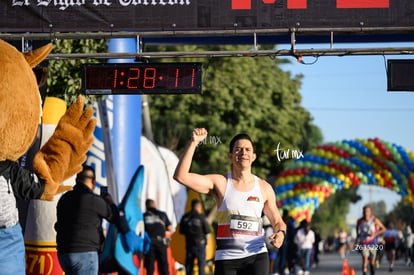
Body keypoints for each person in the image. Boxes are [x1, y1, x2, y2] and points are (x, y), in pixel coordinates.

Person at [174, 128, 286, 275]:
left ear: (253, 156)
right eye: (238, 150)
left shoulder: (264, 188)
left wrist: (281, 234)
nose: (243, 153)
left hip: (256, 255)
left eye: (247, 149)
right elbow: (181, 176)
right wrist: (193, 143)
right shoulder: (220, 183)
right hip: (227, 259)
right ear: (231, 156)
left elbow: (277, 221)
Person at [55, 165, 141, 275]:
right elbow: (114, 217)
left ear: (77, 180)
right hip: (85, 252)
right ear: (93, 181)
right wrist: (110, 203)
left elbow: (58, 225)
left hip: (64, 253)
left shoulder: (64, 199)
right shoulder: (94, 200)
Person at [179, 198, 211, 275]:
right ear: (198, 207)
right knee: (201, 265)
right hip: (200, 245)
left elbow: (181, 231)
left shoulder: (185, 217)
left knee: (189, 266)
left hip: (189, 244)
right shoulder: (201, 217)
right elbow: (207, 231)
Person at [143, 198, 172, 275]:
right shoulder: (162, 214)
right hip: (161, 242)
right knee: (163, 266)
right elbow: (169, 228)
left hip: (149, 243)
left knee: (150, 267)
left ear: (146, 206)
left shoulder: (143, 216)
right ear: (154, 204)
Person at [355, 205, 386, 275]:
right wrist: (357, 240)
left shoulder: (374, 220)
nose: (366, 213)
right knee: (365, 260)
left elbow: (384, 229)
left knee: (372, 262)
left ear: (370, 212)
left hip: (373, 243)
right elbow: (357, 231)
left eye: (368, 211)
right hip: (363, 243)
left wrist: (375, 233)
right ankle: (364, 272)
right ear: (362, 212)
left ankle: (372, 271)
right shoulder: (360, 221)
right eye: (365, 211)